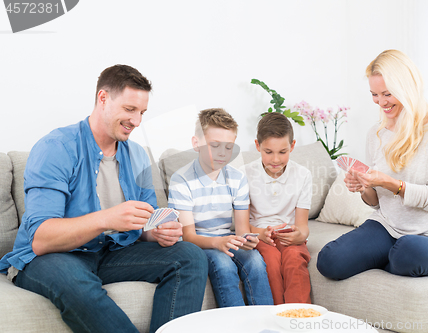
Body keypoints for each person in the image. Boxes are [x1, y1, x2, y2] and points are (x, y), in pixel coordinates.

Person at [0, 65, 208, 333]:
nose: (137, 121)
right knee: (72, 278)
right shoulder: (57, 147)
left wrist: (156, 232)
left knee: (190, 255)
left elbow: (144, 225)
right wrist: (106, 219)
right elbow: (41, 238)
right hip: (52, 257)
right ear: (103, 98)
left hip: (111, 252)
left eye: (142, 112)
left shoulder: (138, 156)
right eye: (129, 109)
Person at [316, 49, 428, 280]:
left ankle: (390, 256)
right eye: (375, 94)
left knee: (408, 253)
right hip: (388, 227)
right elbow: (376, 204)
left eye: (387, 94)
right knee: (330, 261)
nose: (381, 102)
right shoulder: (376, 134)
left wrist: (389, 183)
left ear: (406, 88)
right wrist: (365, 186)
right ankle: (390, 255)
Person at [167, 108, 273, 307]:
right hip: (198, 243)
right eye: (214, 145)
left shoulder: (237, 178)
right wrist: (218, 243)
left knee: (256, 261)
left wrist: (248, 240)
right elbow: (188, 237)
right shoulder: (181, 180)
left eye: (228, 147)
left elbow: (242, 230)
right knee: (224, 265)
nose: (222, 153)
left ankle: (265, 324)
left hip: (227, 237)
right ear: (196, 143)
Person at [243, 112, 312, 304]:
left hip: (289, 235)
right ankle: (277, 316)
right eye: (268, 152)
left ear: (292, 146)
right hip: (259, 234)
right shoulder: (245, 174)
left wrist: (300, 235)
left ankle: (299, 319)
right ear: (257, 146)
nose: (275, 160)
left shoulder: (303, 175)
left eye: (283, 152)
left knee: (294, 259)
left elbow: (303, 226)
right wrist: (261, 233)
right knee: (271, 262)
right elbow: (242, 225)